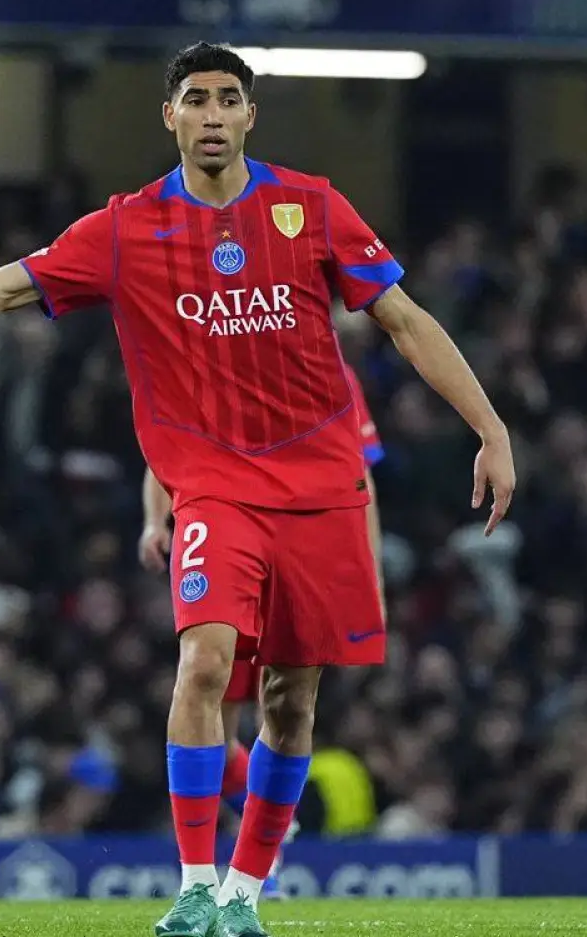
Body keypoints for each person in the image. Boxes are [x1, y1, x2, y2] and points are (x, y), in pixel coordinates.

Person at [0, 43, 513, 937]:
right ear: (168, 116)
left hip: (325, 489)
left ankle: (247, 895)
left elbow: (404, 319)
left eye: (228, 99)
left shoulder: (311, 207)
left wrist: (490, 427)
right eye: (196, 99)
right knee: (205, 660)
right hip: (214, 492)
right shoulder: (125, 230)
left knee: (290, 700)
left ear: (250, 115)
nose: (213, 114)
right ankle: (197, 884)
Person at [139, 360, 385, 898]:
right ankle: (253, 840)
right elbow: (167, 451)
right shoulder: (211, 352)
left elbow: (357, 477)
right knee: (213, 717)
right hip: (229, 551)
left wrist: (369, 577)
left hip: (300, 547)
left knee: (286, 707)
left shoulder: (330, 372)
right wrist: (154, 521)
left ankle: (253, 864)